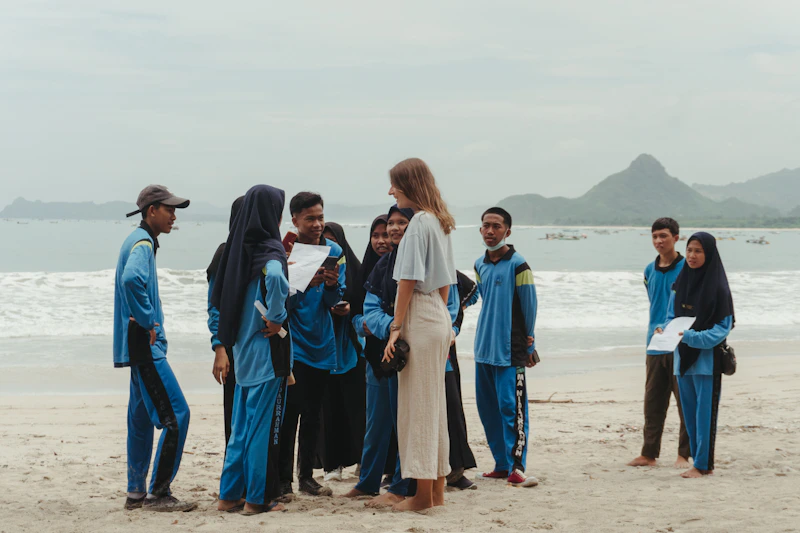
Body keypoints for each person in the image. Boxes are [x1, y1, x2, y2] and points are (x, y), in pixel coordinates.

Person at [114, 185, 196, 512]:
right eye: (169, 209)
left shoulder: (135, 239)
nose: (174, 216)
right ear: (152, 211)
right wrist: (149, 321)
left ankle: (135, 493)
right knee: (177, 415)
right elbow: (132, 279)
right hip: (145, 345)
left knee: (141, 418)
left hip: (134, 343)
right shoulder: (144, 243)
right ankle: (159, 493)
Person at [212, 185, 291, 515]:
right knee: (259, 428)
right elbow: (275, 277)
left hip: (243, 350)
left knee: (241, 428)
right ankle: (257, 499)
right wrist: (277, 315)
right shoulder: (269, 252)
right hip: (266, 354)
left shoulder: (238, 253)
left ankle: (229, 494)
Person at [383, 158, 457, 511]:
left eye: (394, 184)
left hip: (421, 315)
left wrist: (396, 327)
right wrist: (439, 319)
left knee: (418, 407)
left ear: (408, 185)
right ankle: (436, 491)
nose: (391, 191)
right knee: (434, 406)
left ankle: (422, 497)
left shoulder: (417, 225)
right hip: (437, 314)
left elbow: (407, 281)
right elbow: (445, 283)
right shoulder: (440, 222)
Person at [343, 208, 414, 503]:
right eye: (386, 227)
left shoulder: (420, 262)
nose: (390, 233)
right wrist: (391, 328)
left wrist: (401, 330)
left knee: (405, 423)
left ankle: (402, 485)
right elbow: (368, 311)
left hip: (408, 356)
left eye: (400, 224)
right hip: (377, 357)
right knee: (376, 422)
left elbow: (441, 306)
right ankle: (368, 481)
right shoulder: (381, 266)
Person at [278, 192, 345, 499]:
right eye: (310, 218)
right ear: (295, 220)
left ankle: (306, 477)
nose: (317, 224)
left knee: (314, 413)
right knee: (290, 412)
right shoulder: (285, 251)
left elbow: (334, 302)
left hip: (322, 342)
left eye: (320, 217)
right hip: (294, 343)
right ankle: (283, 480)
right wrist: (305, 286)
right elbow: (281, 303)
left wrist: (331, 286)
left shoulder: (334, 250)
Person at [657, 232, 734, 479]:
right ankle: (697, 461)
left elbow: (721, 331)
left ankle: (703, 465)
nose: (692, 255)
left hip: (707, 362)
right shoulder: (680, 283)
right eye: (689, 250)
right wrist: (664, 330)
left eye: (698, 251)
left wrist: (688, 336)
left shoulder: (719, 288)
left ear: (708, 254)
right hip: (683, 360)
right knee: (689, 415)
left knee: (705, 417)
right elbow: (671, 317)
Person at [473, 207, 538, 486]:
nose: (490, 231)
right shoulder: (480, 265)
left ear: (507, 232)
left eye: (496, 226)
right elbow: (484, 299)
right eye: (486, 226)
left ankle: (516, 467)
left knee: (512, 409)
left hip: (510, 351)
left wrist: (529, 341)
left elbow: (529, 305)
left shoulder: (519, 264)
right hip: (482, 349)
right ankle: (500, 464)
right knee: (487, 410)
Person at [629, 218, 691, 469]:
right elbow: (654, 302)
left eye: (664, 236)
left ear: (677, 238)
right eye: (655, 236)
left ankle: (684, 455)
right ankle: (649, 453)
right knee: (653, 400)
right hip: (654, 343)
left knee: (684, 400)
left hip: (681, 342)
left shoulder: (688, 268)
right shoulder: (648, 270)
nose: (658, 241)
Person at [313, 222, 367, 482]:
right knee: (327, 410)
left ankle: (361, 459)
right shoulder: (311, 270)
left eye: (334, 242)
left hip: (350, 348)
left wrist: (347, 308)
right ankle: (331, 464)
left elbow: (363, 301)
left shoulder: (355, 271)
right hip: (321, 347)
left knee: (355, 407)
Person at [207, 196, 244, 447]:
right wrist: (219, 348)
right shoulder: (225, 253)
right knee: (233, 411)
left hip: (259, 343)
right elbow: (214, 306)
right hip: (232, 345)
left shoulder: (265, 255)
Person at [444, 271, 478, 490]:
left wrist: (452, 328)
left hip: (443, 343)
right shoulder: (383, 267)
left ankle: (456, 470)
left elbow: (464, 295)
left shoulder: (443, 267)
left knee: (450, 404)